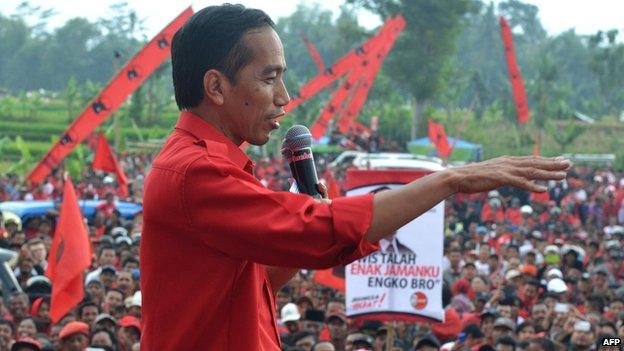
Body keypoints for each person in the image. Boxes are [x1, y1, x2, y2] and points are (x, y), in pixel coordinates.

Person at [140, 4, 570, 350]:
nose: (284, 98)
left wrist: (310, 215)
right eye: (269, 79)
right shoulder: (194, 172)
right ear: (215, 87)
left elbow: (255, 284)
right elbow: (317, 233)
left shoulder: (216, 166)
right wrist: (448, 180)